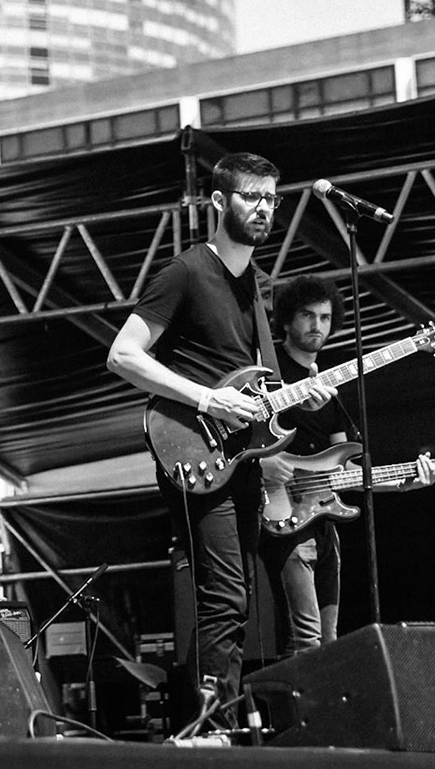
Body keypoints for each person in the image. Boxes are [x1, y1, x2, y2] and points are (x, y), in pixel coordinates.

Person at [106, 151, 329, 712]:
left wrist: (301, 391)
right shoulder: (186, 272)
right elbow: (122, 355)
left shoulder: (257, 283)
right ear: (218, 201)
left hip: (243, 458)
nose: (264, 207)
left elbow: (261, 391)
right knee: (225, 596)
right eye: (252, 196)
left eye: (271, 198)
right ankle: (211, 729)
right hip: (194, 448)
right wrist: (209, 397)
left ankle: (210, 716)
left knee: (237, 600)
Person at [257, 275, 435, 656]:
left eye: (324, 318)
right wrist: (264, 465)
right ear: (286, 320)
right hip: (284, 518)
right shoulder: (265, 372)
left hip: (323, 524)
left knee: (329, 644)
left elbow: (346, 471)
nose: (316, 326)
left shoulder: (327, 388)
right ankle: (296, 718)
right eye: (307, 315)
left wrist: (405, 483)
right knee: (304, 642)